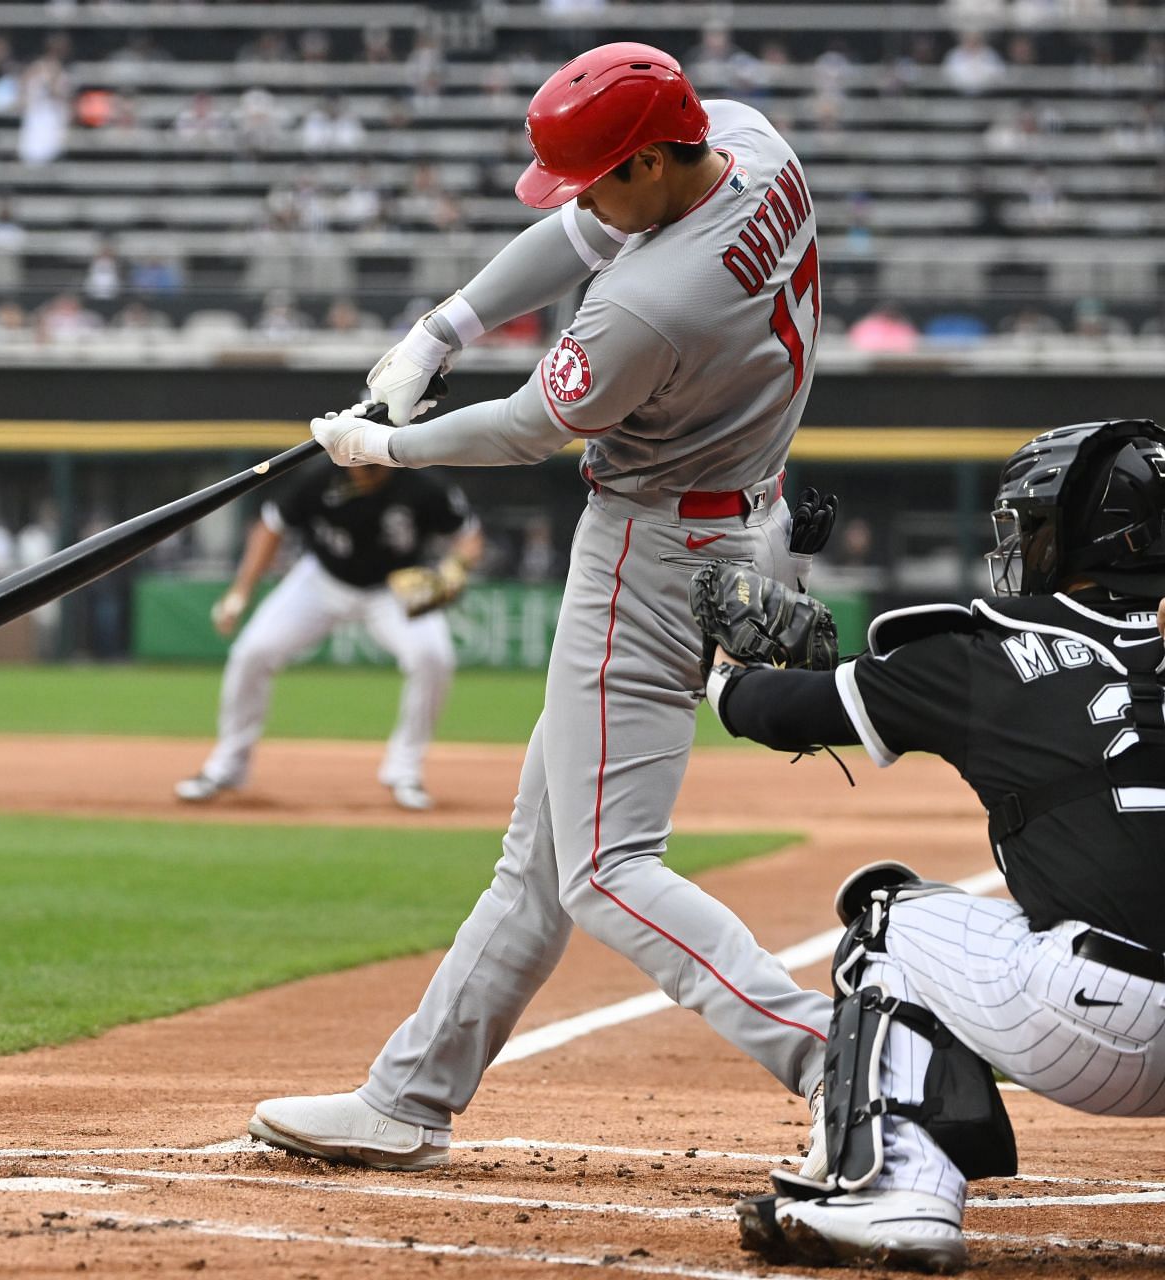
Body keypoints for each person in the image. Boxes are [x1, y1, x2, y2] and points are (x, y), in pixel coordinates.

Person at [251, 44, 837, 1172]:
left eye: (603, 176)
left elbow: (527, 428)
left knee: (607, 865)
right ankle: (409, 1094)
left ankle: (837, 1053)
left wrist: (384, 442)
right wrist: (441, 330)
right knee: (541, 856)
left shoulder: (651, 304)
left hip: (653, 546)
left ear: (658, 161)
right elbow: (580, 231)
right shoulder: (751, 142)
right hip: (725, 512)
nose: (585, 201)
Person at [699, 419, 1165, 1271]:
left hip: (1105, 1028)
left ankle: (899, 1193)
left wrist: (724, 664)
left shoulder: (988, 651)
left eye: (1031, 526)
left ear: (1075, 539)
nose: (1020, 545)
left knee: (889, 916)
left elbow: (781, 712)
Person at [176, 458, 483, 814]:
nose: (363, 471)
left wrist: (452, 573)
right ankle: (227, 766)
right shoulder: (318, 477)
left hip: (396, 587)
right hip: (322, 580)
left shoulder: (423, 483)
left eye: (372, 465)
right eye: (357, 463)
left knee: (434, 657)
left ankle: (405, 769)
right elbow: (270, 528)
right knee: (252, 652)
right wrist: (240, 592)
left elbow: (470, 538)